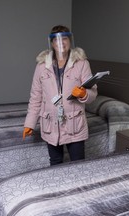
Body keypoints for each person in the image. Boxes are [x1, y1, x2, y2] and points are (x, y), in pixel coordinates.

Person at [22, 25, 97, 166]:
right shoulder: (41, 66)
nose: (61, 43)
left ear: (70, 40)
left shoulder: (81, 64)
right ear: (52, 43)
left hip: (74, 124)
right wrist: (29, 123)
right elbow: (35, 97)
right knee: (55, 162)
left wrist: (84, 93)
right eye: (56, 40)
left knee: (78, 163)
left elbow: (93, 93)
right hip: (51, 123)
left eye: (64, 39)